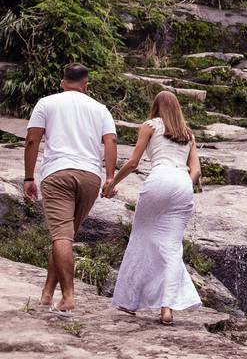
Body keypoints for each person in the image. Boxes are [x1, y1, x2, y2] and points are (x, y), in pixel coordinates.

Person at [23, 63, 118, 315]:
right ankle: (46, 293)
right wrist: (110, 178)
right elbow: (110, 141)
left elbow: (32, 139)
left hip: (58, 174)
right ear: (86, 85)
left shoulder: (46, 103)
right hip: (90, 177)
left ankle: (68, 297)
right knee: (64, 236)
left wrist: (28, 177)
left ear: (62, 82)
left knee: (61, 237)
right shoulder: (100, 109)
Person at [102, 90, 202, 324]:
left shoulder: (150, 125)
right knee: (172, 248)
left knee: (141, 237)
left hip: (159, 179)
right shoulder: (188, 134)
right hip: (182, 184)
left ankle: (130, 301)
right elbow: (196, 171)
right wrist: (184, 183)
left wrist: (111, 183)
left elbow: (134, 162)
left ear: (156, 106)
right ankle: (166, 308)